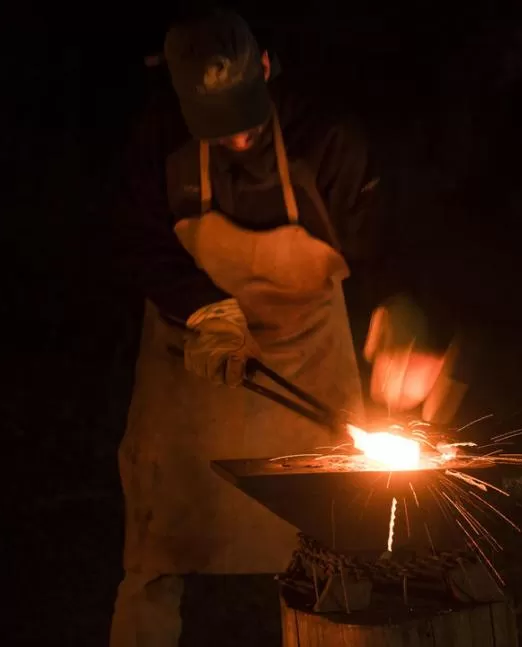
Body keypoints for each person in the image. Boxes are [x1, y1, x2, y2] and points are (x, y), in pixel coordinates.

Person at [109, 8, 466, 646]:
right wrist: (203, 309)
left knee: (336, 535)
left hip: (307, 345)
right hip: (195, 343)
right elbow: (139, 243)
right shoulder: (158, 139)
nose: (239, 139)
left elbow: (386, 242)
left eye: (246, 115)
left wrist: (400, 312)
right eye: (217, 127)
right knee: (159, 534)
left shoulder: (327, 139)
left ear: (267, 67)